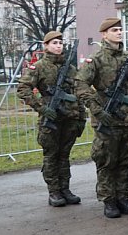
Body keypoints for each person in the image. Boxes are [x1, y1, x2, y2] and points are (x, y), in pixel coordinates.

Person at [76, 17, 128, 218]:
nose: (118, 33)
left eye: (120, 30)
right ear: (104, 34)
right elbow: (80, 85)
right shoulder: (96, 59)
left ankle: (123, 197)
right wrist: (97, 109)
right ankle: (109, 200)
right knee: (106, 161)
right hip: (107, 119)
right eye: (114, 30)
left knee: (125, 160)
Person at [17, 31, 86, 207]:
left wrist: (81, 117)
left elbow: (77, 93)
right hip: (51, 120)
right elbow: (22, 89)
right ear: (46, 45)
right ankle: (54, 191)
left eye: (61, 43)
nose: (58, 46)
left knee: (64, 156)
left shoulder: (70, 68)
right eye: (54, 43)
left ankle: (65, 189)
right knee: (51, 156)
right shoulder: (39, 67)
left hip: (69, 118)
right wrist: (42, 108)